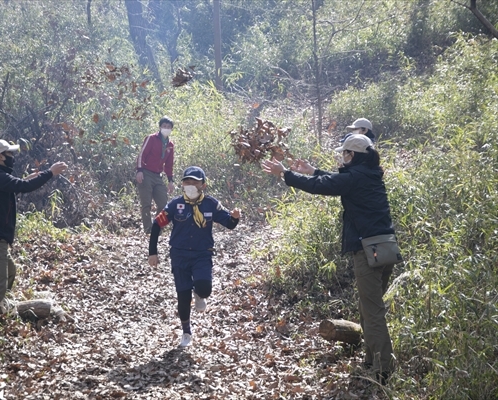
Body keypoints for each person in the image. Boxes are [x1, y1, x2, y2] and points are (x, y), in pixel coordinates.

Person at [261, 134, 395, 384]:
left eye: (345, 153)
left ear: (352, 156)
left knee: (373, 310)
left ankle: (383, 369)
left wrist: (285, 174)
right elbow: (335, 181)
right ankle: (370, 360)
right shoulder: (369, 175)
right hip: (386, 246)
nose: (342, 157)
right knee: (368, 307)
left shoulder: (355, 178)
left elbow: (323, 186)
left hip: (368, 249)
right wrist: (313, 170)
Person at [0, 139, 68, 337]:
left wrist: (29, 178)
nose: (12, 158)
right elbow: (24, 187)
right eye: (9, 155)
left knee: (10, 271)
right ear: (0, 157)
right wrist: (49, 173)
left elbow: (16, 185)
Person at [148, 166, 241, 348]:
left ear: (203, 185)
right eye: (187, 181)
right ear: (182, 184)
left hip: (202, 254)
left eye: (194, 181)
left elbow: (229, 223)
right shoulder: (175, 205)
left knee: (204, 288)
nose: (190, 185)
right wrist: (153, 252)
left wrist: (235, 217)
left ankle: (199, 294)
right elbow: (157, 225)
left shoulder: (211, 204)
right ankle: (186, 332)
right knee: (182, 295)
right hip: (179, 255)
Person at [136, 116, 176, 233]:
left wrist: (170, 180)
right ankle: (148, 230)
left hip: (158, 176)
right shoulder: (151, 138)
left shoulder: (170, 145)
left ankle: (157, 227)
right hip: (146, 173)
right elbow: (142, 154)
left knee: (163, 203)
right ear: (160, 127)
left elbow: (169, 164)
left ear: (171, 129)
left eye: (168, 127)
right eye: (164, 126)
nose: (166, 128)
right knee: (146, 203)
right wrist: (139, 170)